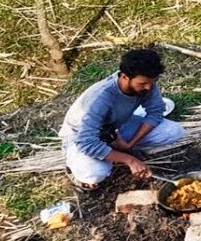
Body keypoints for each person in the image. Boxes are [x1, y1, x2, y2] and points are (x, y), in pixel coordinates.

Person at [60, 48, 184, 190]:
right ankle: (75, 167)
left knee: (174, 131)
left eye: (152, 82)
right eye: (143, 84)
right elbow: (87, 142)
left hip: (115, 127)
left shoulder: (147, 83)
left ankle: (117, 149)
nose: (149, 87)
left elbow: (155, 111)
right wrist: (130, 160)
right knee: (95, 173)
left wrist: (129, 144)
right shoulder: (100, 98)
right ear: (124, 77)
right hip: (80, 136)